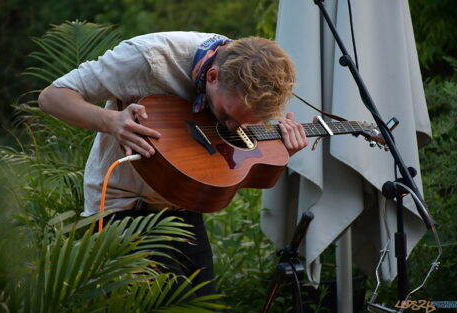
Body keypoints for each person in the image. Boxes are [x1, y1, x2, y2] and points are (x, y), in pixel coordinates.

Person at [38, 31, 308, 296]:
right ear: (213, 77)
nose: (234, 127)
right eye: (228, 115)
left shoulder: (254, 82)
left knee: (202, 302)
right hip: (123, 206)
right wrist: (112, 121)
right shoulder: (149, 58)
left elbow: (233, 156)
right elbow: (52, 97)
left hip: (182, 203)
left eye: (246, 123)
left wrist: (280, 151)